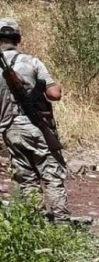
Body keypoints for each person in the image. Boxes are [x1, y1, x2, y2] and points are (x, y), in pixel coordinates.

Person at [0, 17, 90, 225]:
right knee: (51, 175)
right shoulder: (32, 62)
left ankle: (36, 224)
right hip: (37, 126)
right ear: (18, 39)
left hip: (10, 130)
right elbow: (55, 94)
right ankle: (62, 224)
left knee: (26, 178)